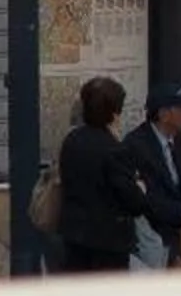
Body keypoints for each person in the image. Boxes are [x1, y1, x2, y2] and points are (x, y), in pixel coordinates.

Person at [55, 77, 151, 274]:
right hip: (108, 245)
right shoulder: (114, 150)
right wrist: (140, 189)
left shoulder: (72, 141)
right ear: (114, 113)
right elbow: (134, 202)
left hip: (74, 239)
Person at [121, 84, 181, 270]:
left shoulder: (171, 142)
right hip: (151, 246)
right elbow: (149, 201)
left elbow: (177, 191)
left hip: (175, 240)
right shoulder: (136, 146)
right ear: (164, 114)